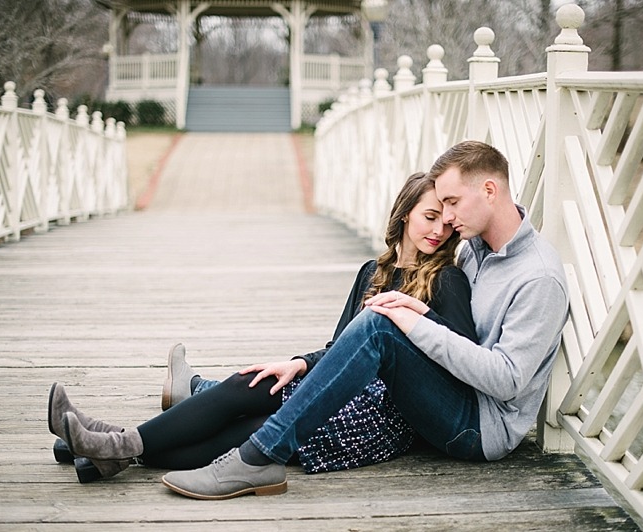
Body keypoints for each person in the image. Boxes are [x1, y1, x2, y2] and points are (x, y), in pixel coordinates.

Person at [144, 140, 571, 500]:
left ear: (491, 191)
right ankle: (116, 447)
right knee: (261, 384)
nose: (447, 221)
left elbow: (506, 381)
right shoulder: (476, 249)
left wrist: (415, 319)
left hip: (480, 429)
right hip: (444, 395)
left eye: (453, 204)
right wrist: (308, 359)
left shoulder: (538, 278)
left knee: (380, 323)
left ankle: (258, 455)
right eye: (438, 208)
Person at [48, 171, 477, 483]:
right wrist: (297, 364)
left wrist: (418, 316)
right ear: (405, 215)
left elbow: (461, 358)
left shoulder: (447, 280)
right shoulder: (372, 271)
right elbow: (340, 347)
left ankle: (111, 447)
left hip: (381, 415)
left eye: (446, 222)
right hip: (336, 384)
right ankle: (109, 447)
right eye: (429, 217)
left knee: (249, 431)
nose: (439, 230)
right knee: (250, 382)